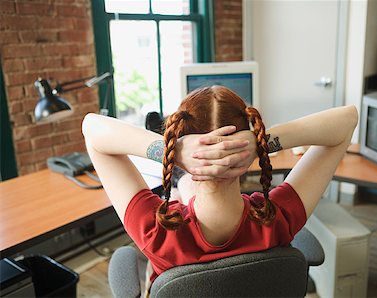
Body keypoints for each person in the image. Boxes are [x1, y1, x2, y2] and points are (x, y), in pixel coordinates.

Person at [82, 85, 357, 292]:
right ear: (248, 136)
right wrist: (263, 143)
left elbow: (92, 129)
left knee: (182, 190)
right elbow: (346, 120)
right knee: (184, 190)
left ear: (181, 138)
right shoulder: (278, 219)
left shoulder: (155, 232)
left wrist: (170, 151)